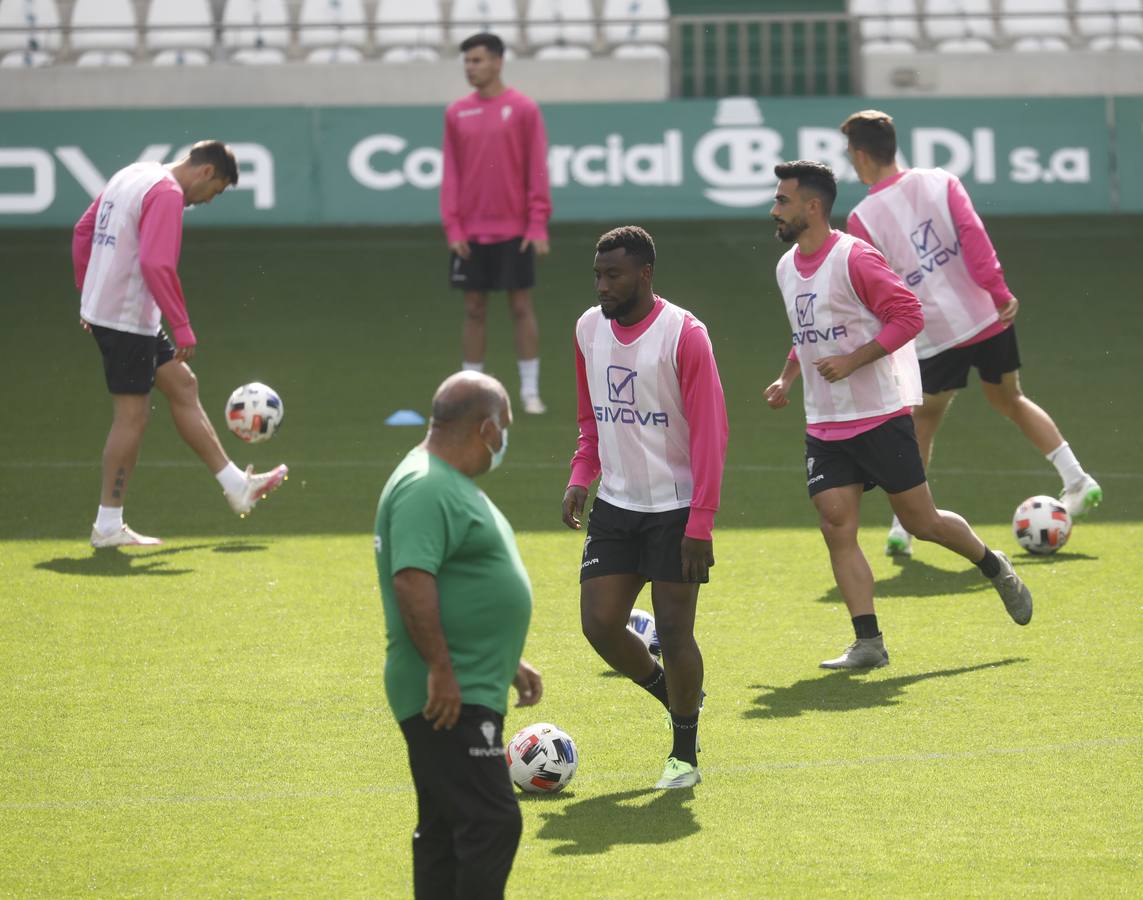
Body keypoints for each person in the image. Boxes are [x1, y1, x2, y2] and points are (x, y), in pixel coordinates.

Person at [763, 160, 1033, 670]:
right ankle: (869, 642)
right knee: (835, 523)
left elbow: (909, 314)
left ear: (812, 206)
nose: (774, 209)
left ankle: (994, 566)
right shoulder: (785, 269)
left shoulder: (855, 258)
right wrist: (787, 377)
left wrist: (853, 361)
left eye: (782, 200)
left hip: (879, 415)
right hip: (824, 423)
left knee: (922, 521)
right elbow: (807, 332)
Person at [840, 109, 1102, 557]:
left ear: (862, 156)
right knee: (1009, 399)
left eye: (850, 153)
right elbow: (974, 239)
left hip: (933, 335)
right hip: (985, 317)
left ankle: (905, 523)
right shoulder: (941, 181)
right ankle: (1077, 477)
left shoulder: (862, 218)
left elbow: (879, 289)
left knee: (922, 421)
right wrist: (998, 292)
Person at [562, 226, 728, 789]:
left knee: (677, 633)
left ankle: (684, 752)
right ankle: (676, 696)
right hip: (615, 505)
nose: (603, 286)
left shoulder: (684, 335)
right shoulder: (588, 329)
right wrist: (581, 477)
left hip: (676, 511)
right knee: (600, 624)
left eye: (615, 275)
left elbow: (711, 435)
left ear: (645, 274)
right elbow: (592, 419)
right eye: (598, 275)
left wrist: (700, 523)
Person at [375, 370, 543, 899]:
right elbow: (412, 579)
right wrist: (443, 669)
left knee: (445, 832)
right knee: (492, 822)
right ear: (487, 428)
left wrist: (505, 658)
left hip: (468, 680)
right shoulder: (426, 485)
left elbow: (455, 581)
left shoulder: (442, 483)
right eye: (506, 427)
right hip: (451, 693)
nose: (505, 440)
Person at [72, 140, 288, 548]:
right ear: (206, 172)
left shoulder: (132, 173)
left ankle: (235, 485)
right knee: (132, 417)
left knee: (183, 385)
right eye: (218, 190)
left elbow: (84, 229)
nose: (210, 200)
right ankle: (108, 525)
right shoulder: (168, 193)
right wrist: (182, 326)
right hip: (127, 319)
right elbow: (157, 262)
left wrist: (88, 293)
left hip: (120, 312)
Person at [440, 31, 553, 415]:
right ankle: (470, 393)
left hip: (515, 231)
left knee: (521, 305)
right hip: (470, 232)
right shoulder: (456, 112)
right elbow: (451, 173)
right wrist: (453, 228)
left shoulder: (523, 109)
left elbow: (536, 169)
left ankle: (530, 392)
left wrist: (537, 223)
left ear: (498, 61)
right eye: (467, 62)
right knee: (473, 308)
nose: (470, 68)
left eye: (477, 60)